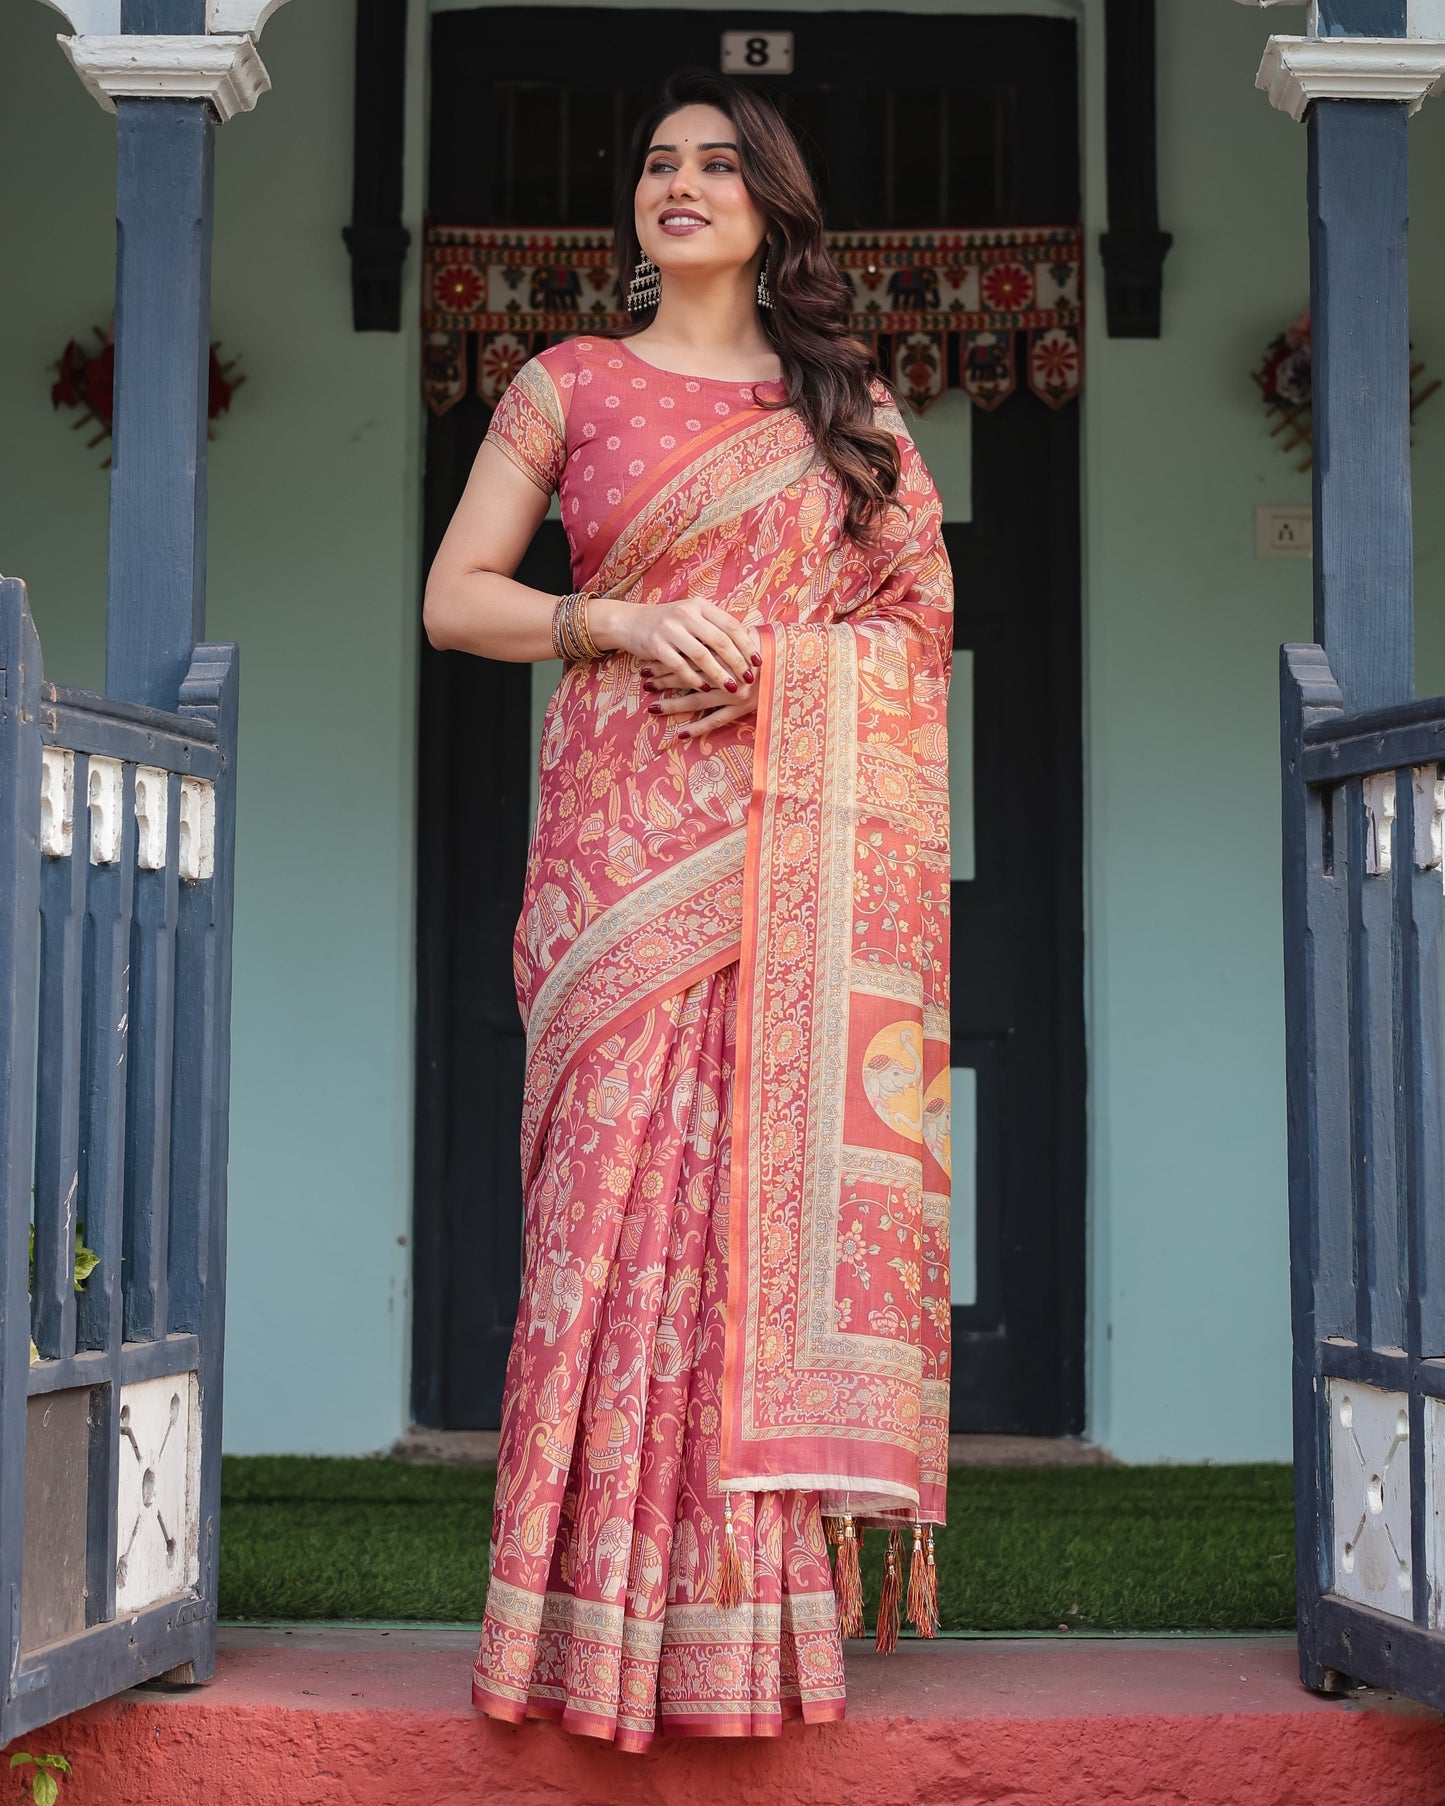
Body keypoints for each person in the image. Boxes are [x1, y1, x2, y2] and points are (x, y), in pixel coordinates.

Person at [423, 66, 954, 1752]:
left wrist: (783, 668)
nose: (679, 184)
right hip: (613, 857)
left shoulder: (846, 408)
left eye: (719, 165)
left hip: (790, 869)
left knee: (747, 1231)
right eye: (658, 163)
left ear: (771, 206)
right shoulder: (565, 383)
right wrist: (618, 624)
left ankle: (748, 1631)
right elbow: (456, 599)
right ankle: (573, 1625)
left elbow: (916, 628)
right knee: (603, 1218)